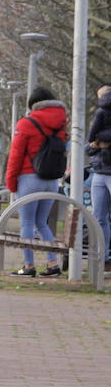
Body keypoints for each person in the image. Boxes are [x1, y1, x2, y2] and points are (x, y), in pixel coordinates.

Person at [5, 86, 68, 277]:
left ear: (33, 105)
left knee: (27, 223)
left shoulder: (26, 123)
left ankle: (29, 266)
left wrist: (10, 182)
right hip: (51, 181)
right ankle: (53, 263)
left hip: (29, 179)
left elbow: (15, 155)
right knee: (42, 223)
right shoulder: (62, 123)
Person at [86, 85, 111, 267]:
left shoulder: (100, 114)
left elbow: (92, 137)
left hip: (105, 171)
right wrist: (97, 144)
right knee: (99, 217)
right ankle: (104, 255)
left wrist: (100, 140)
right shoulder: (100, 114)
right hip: (98, 172)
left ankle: (104, 255)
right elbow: (88, 146)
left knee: (100, 218)